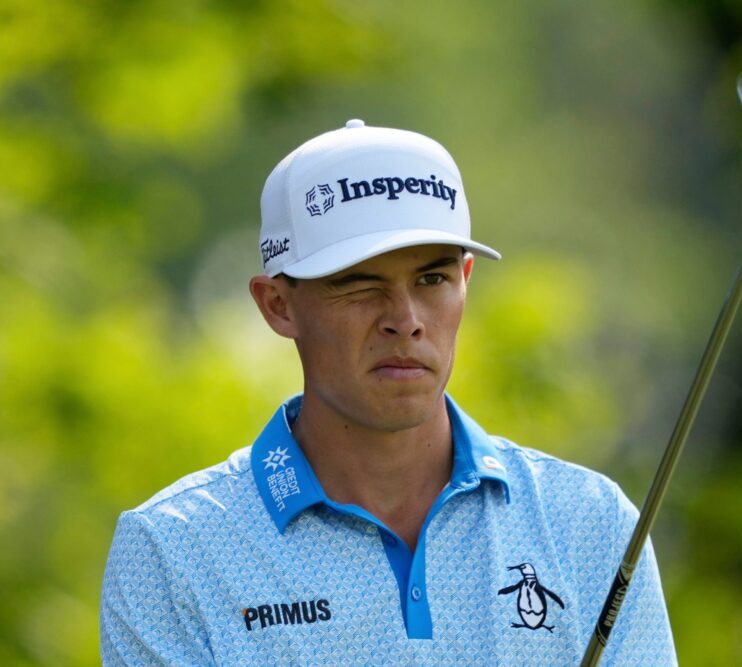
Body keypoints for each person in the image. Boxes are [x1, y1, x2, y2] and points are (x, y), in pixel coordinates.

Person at [100, 119, 678, 665]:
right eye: (359, 285)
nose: (406, 320)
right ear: (277, 305)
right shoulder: (174, 550)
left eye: (432, 279)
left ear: (465, 282)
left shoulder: (589, 524)